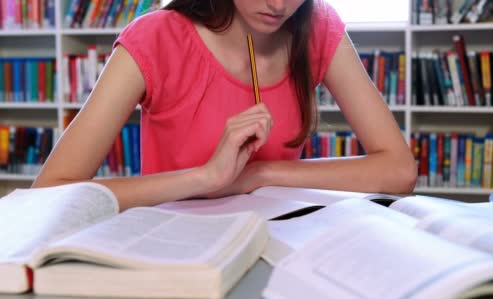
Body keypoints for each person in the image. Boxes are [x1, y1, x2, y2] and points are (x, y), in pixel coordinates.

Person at [33, 0, 417, 210]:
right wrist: (205, 178)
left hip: (275, 244)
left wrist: (259, 173)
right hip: (169, 252)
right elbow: (48, 194)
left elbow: (398, 170)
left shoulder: (317, 25)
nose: (279, 4)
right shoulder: (156, 38)